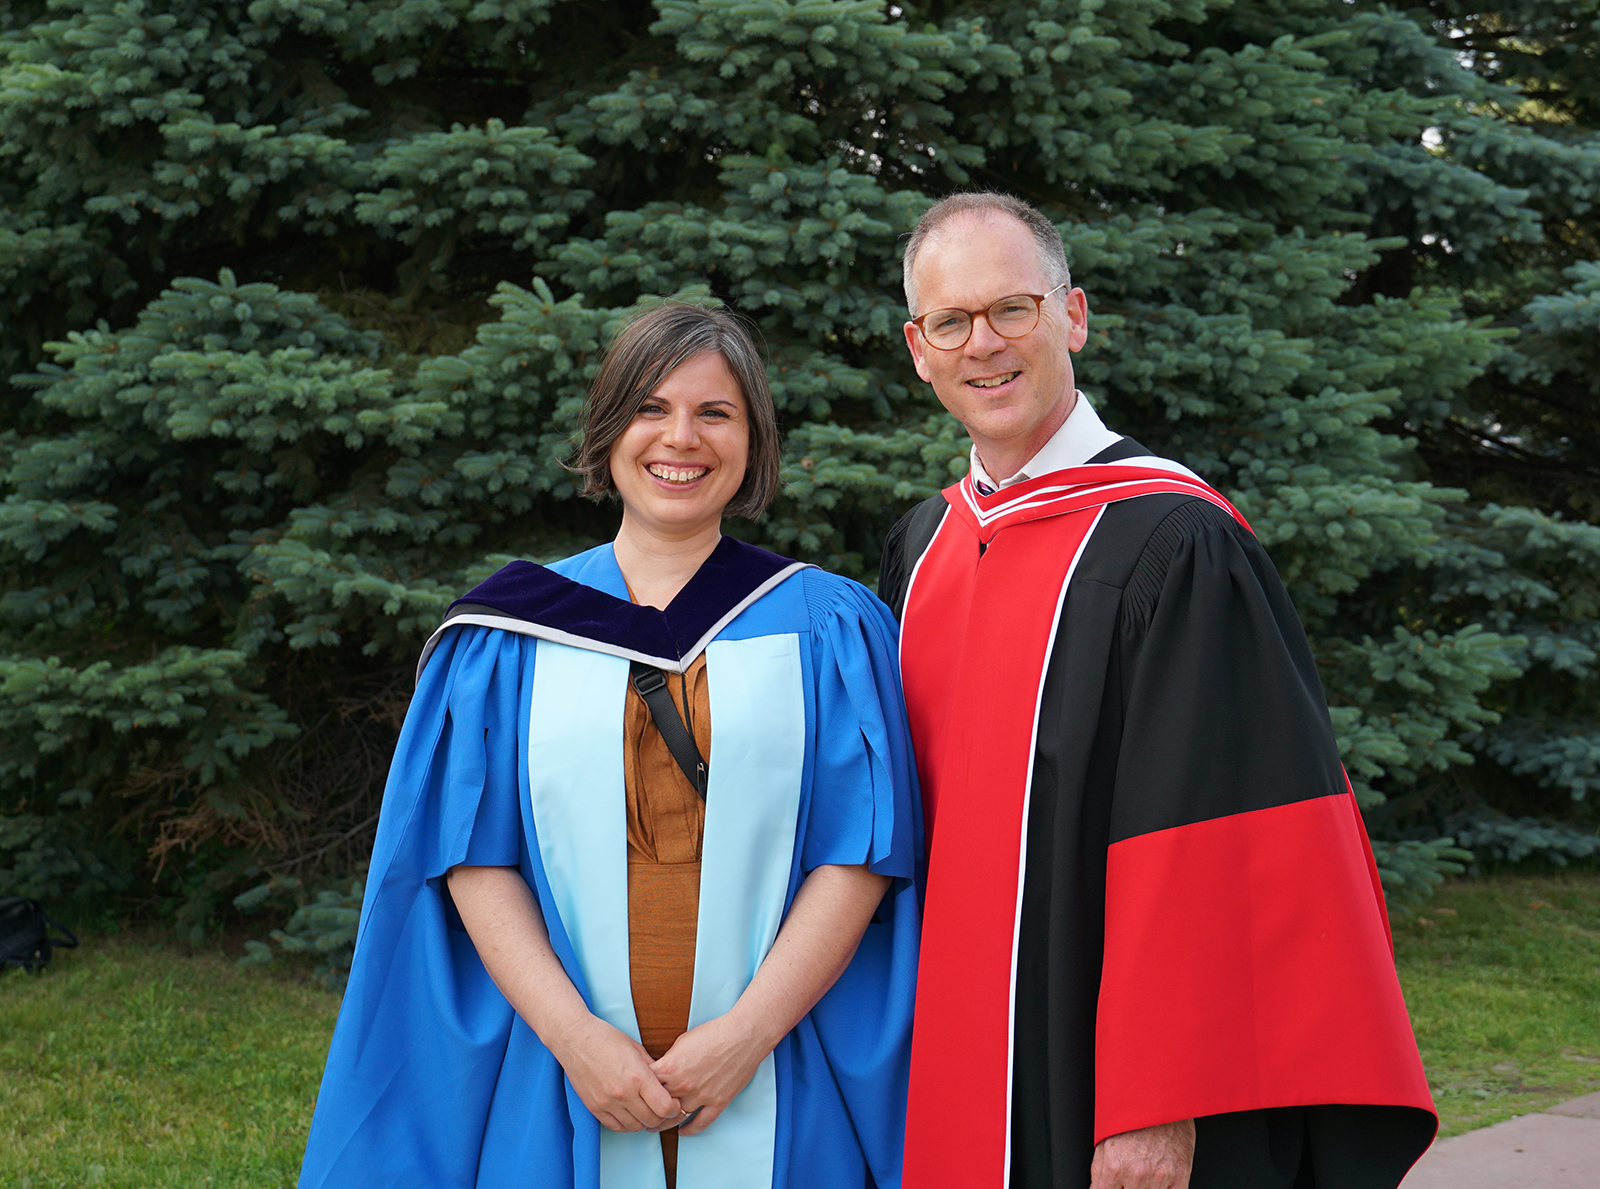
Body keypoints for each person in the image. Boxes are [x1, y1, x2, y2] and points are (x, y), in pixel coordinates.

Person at [877, 192, 1437, 1189]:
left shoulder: (1174, 540)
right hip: (943, 1053)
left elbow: (1220, 845)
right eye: (952, 322)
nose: (983, 345)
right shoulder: (921, 548)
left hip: (1107, 1082)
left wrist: (1159, 1100)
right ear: (919, 348)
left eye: (1013, 308)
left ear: (1072, 316)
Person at [299, 303, 922, 1189]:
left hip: (780, 1064)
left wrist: (745, 1036)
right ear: (608, 426)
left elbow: (860, 853)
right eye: (651, 408)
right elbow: (474, 856)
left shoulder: (828, 625)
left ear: (754, 441)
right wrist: (578, 1040)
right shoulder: (509, 632)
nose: (682, 438)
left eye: (716, 413)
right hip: (561, 1074)